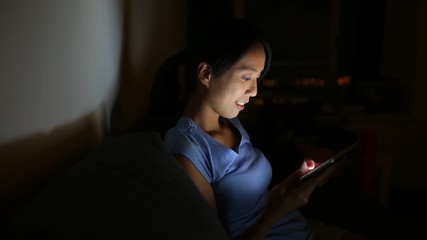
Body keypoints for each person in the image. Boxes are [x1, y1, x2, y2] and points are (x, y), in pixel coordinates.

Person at [155, 17, 363, 240]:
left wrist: (290, 188)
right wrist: (277, 211)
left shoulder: (231, 122)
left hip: (305, 230)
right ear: (206, 73)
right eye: (246, 77)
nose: (254, 90)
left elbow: (250, 204)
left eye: (257, 78)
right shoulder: (187, 151)